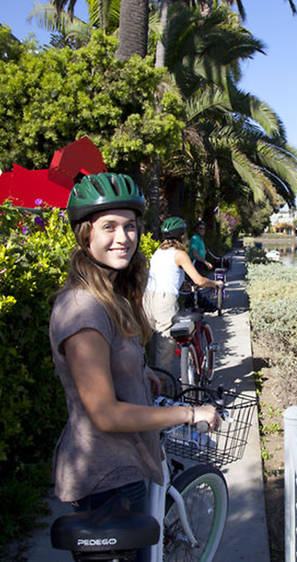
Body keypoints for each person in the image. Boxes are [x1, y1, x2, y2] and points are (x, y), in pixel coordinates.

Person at [49, 173, 220, 554]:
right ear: (85, 234)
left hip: (126, 465)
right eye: (109, 227)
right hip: (107, 479)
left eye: (129, 226)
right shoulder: (83, 308)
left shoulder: (110, 295)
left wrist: (138, 372)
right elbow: (106, 415)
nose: (123, 237)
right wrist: (190, 414)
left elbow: (101, 364)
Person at [143, 216, 223, 373]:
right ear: (181, 235)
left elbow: (166, 274)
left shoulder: (158, 252)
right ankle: (162, 392)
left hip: (147, 298)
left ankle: (148, 387)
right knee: (164, 349)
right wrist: (214, 284)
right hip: (164, 301)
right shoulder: (179, 254)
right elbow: (199, 280)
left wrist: (182, 283)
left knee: (150, 344)